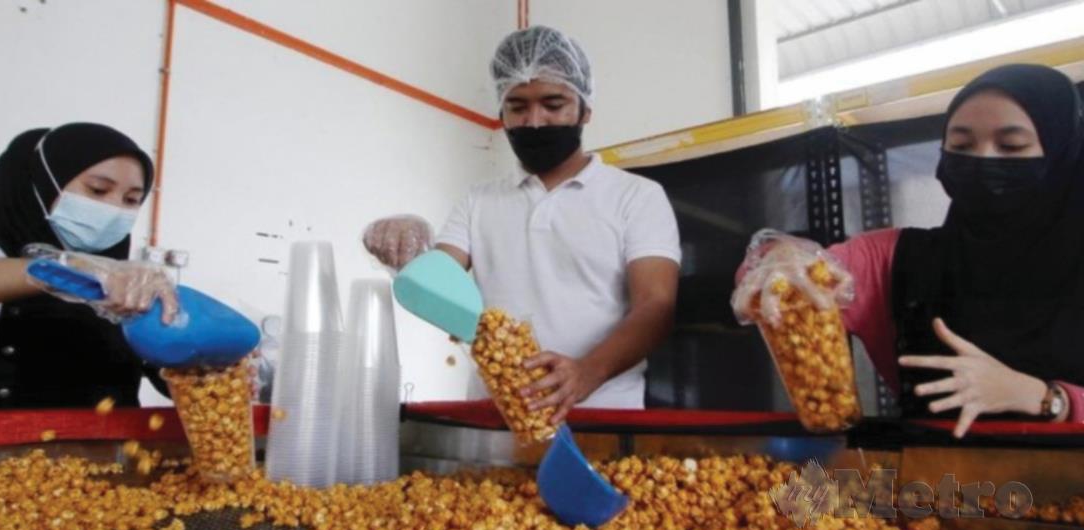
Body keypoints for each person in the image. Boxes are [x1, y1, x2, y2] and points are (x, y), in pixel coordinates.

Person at [737, 64, 1084, 437]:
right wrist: (780, 257)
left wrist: (1046, 398)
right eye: (962, 145)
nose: (984, 160)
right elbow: (791, 277)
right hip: (939, 485)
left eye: (1011, 146)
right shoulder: (897, 258)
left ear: (1064, 154)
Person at [364, 26, 681, 422]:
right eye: (518, 106)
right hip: (497, 416)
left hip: (602, 416)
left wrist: (585, 373)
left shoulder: (637, 196)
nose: (535, 121)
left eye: (553, 104)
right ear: (501, 113)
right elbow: (439, 280)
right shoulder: (479, 200)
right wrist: (405, 243)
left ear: (585, 109)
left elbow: (656, 304)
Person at [0, 123, 179, 411]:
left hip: (108, 448)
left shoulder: (131, 284)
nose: (115, 209)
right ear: (42, 186)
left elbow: (178, 376)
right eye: (98, 190)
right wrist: (72, 268)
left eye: (131, 200)